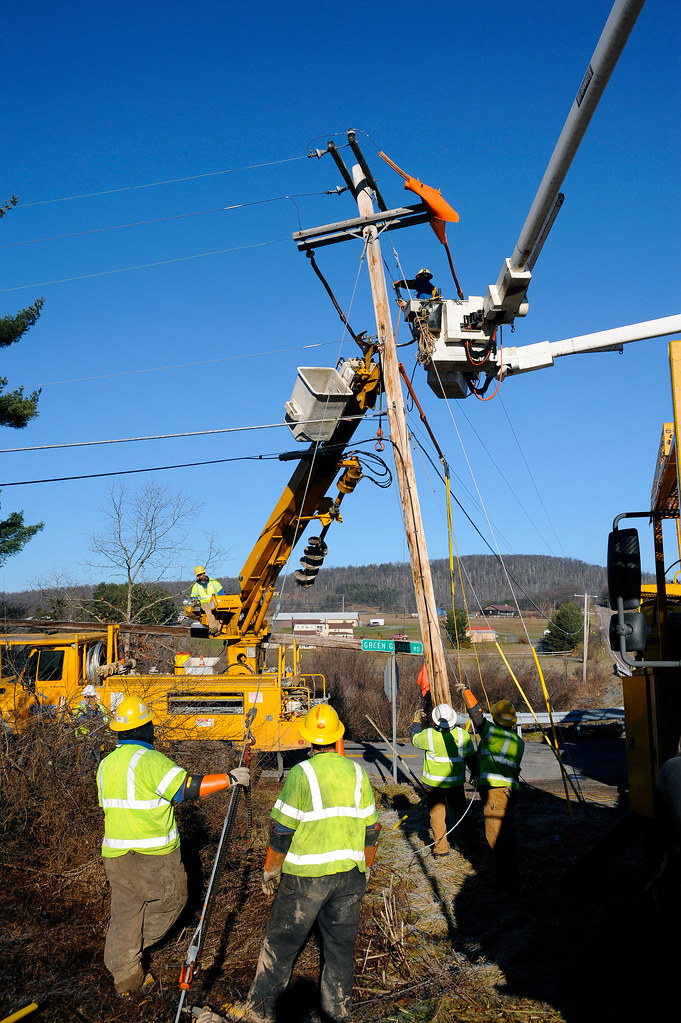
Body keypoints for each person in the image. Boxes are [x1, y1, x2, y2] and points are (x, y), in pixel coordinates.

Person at [225, 704, 380, 1023]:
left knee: (280, 945)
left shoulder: (301, 774)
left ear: (309, 739)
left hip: (306, 880)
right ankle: (337, 1013)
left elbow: (282, 829)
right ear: (338, 736)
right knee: (339, 952)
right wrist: (366, 867)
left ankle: (260, 1011)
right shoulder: (357, 773)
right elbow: (371, 829)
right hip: (349, 876)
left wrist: (271, 869)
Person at [96, 695, 249, 997]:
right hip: (153, 855)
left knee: (127, 910)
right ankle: (127, 949)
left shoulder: (106, 764)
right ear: (145, 729)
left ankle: (124, 972)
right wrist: (229, 779)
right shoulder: (150, 761)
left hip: (116, 855)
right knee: (174, 899)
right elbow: (185, 789)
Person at [456, 683, 524, 889]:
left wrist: (465, 692)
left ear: (496, 718)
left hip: (497, 792)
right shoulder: (517, 740)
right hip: (508, 792)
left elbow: (477, 719)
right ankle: (510, 872)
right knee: (507, 833)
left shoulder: (495, 734)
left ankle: (505, 880)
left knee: (495, 834)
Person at [411, 702, 478, 857]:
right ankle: (474, 843)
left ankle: (441, 849)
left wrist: (416, 722)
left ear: (435, 720)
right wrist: (475, 773)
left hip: (433, 785)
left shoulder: (428, 735)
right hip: (455, 783)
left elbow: (414, 739)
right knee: (462, 813)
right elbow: (471, 758)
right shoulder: (462, 735)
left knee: (437, 815)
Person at [190, 565, 225, 636]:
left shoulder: (213, 582)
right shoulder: (195, 586)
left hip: (215, 601)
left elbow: (221, 592)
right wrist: (195, 602)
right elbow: (193, 597)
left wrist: (222, 601)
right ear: (198, 576)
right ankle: (213, 628)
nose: (202, 575)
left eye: (203, 573)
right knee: (208, 610)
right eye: (200, 574)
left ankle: (217, 630)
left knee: (221, 612)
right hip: (204, 603)